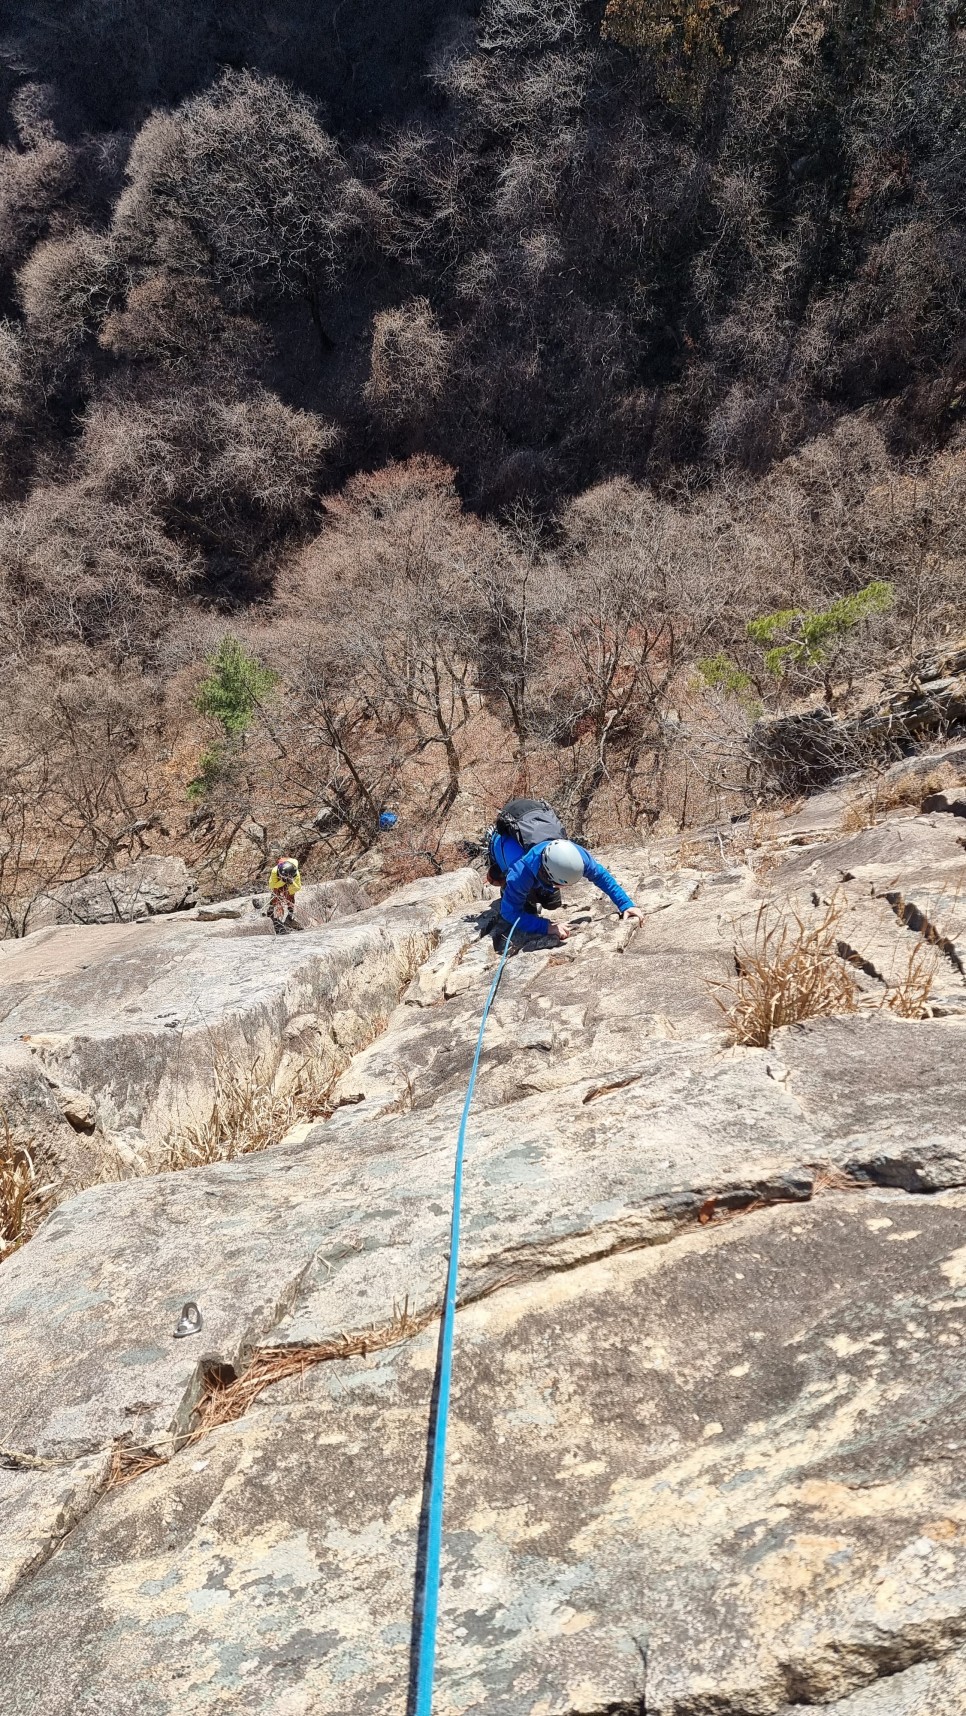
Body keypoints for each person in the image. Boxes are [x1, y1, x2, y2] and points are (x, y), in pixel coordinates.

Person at [493, 836, 642, 950]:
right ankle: (506, 888)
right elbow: (509, 913)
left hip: (537, 864)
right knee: (525, 908)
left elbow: (601, 876)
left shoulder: (576, 854)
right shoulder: (520, 874)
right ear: (546, 874)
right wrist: (545, 926)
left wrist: (625, 904)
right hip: (503, 844)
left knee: (552, 903)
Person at [268, 856, 302, 929]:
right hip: (279, 879)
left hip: (290, 878)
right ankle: (271, 910)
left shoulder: (295, 873)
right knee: (276, 892)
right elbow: (272, 885)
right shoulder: (274, 871)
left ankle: (289, 916)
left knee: (290, 896)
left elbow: (297, 888)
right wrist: (282, 881)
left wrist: (291, 882)